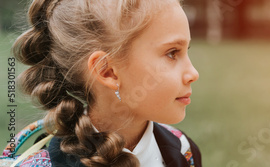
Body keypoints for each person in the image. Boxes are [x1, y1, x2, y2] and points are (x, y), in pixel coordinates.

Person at [12, 0, 201, 166]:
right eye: (172, 53)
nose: (193, 73)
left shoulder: (185, 151)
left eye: (187, 50)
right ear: (108, 72)